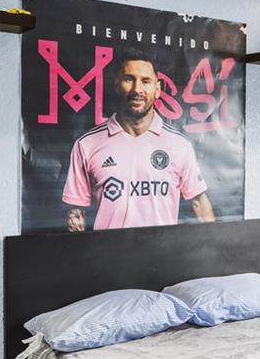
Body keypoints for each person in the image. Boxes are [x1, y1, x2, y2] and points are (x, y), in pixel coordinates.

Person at [61, 51, 214, 230]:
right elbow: (76, 211)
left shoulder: (179, 145)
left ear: (157, 89)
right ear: (117, 85)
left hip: (162, 248)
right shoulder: (86, 144)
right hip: (107, 248)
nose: (137, 90)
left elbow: (199, 203)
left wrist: (215, 245)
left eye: (146, 81)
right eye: (129, 79)